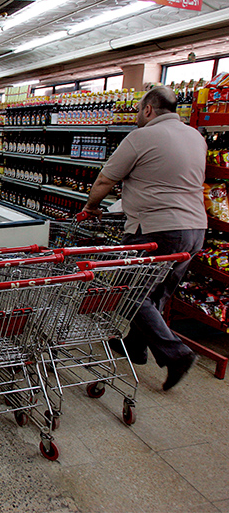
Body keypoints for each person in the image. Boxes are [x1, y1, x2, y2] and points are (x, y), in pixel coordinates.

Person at [82, 85, 206, 391]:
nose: (138, 114)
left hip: (156, 229)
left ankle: (176, 354)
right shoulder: (196, 136)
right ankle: (136, 346)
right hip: (194, 230)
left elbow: (105, 179)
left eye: (139, 109)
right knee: (159, 291)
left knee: (130, 291)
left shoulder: (141, 136)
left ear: (148, 109)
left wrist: (91, 206)